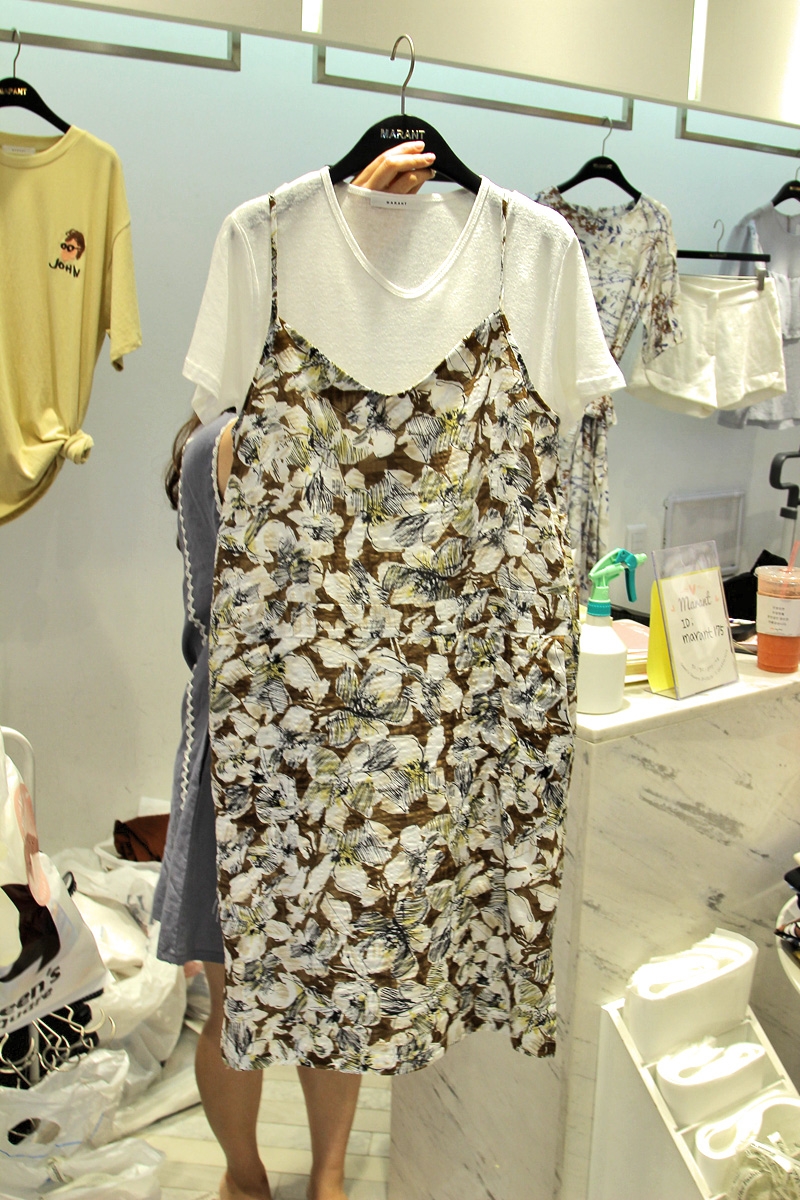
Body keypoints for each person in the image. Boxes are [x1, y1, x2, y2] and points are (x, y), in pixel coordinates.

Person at [153, 145, 437, 1200]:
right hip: (284, 759)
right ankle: (286, 1177)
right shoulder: (241, 443)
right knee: (294, 993)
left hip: (296, 753)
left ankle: (284, 1178)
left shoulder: (221, 437)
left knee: (289, 996)